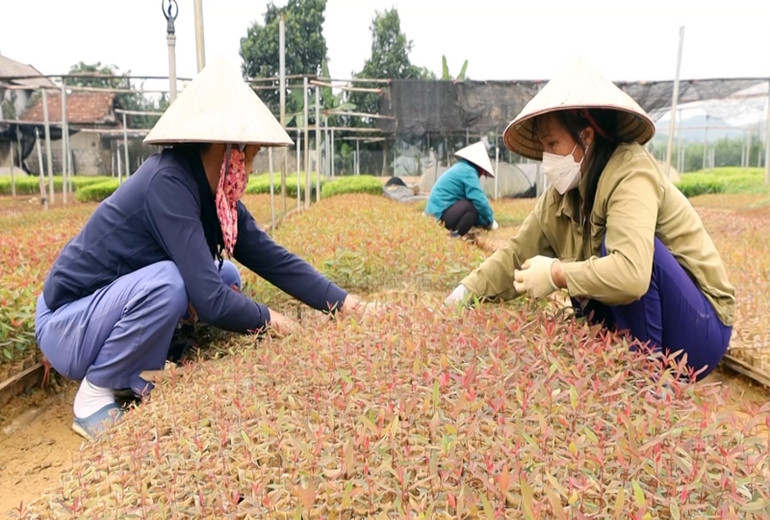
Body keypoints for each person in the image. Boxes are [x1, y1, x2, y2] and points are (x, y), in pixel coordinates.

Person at [35, 58, 368, 440]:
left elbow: (272, 257)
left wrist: (346, 304)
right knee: (171, 283)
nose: (251, 169)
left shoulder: (213, 198)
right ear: (228, 149)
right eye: (251, 156)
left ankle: (141, 363)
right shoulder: (168, 184)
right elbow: (209, 302)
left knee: (226, 274)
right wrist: (270, 319)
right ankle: (96, 393)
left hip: (98, 313)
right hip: (66, 321)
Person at [445, 60, 735, 381]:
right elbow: (516, 253)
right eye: (543, 148)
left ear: (586, 136)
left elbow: (632, 274)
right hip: (657, 322)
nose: (547, 159)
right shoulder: (559, 197)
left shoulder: (630, 171)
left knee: (618, 255)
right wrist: (464, 292)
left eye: (553, 144)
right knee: (588, 277)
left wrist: (556, 273)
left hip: (700, 330)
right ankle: (621, 375)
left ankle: (648, 386)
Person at [425, 141, 498, 236]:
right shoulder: (468, 171)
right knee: (471, 207)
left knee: (472, 208)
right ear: (480, 168)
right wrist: (490, 220)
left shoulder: (461, 167)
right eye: (483, 173)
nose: (481, 176)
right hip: (438, 214)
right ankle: (455, 237)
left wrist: (483, 222)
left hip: (439, 212)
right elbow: (479, 199)